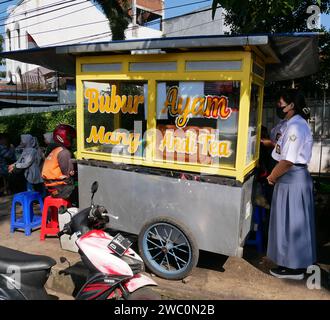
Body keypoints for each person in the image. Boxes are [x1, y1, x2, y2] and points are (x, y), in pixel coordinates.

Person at [266, 89, 316, 280]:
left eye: (280, 103)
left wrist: (271, 177)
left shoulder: (295, 127)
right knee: (291, 222)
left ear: (291, 105)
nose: (279, 106)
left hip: (292, 178)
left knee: (292, 223)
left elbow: (287, 161)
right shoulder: (293, 123)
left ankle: (294, 268)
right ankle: (292, 264)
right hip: (292, 178)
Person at [41, 124, 77, 205]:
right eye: (70, 137)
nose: (72, 140)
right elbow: (68, 174)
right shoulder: (64, 152)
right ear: (63, 137)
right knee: (83, 189)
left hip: (51, 187)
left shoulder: (55, 150)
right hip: (60, 189)